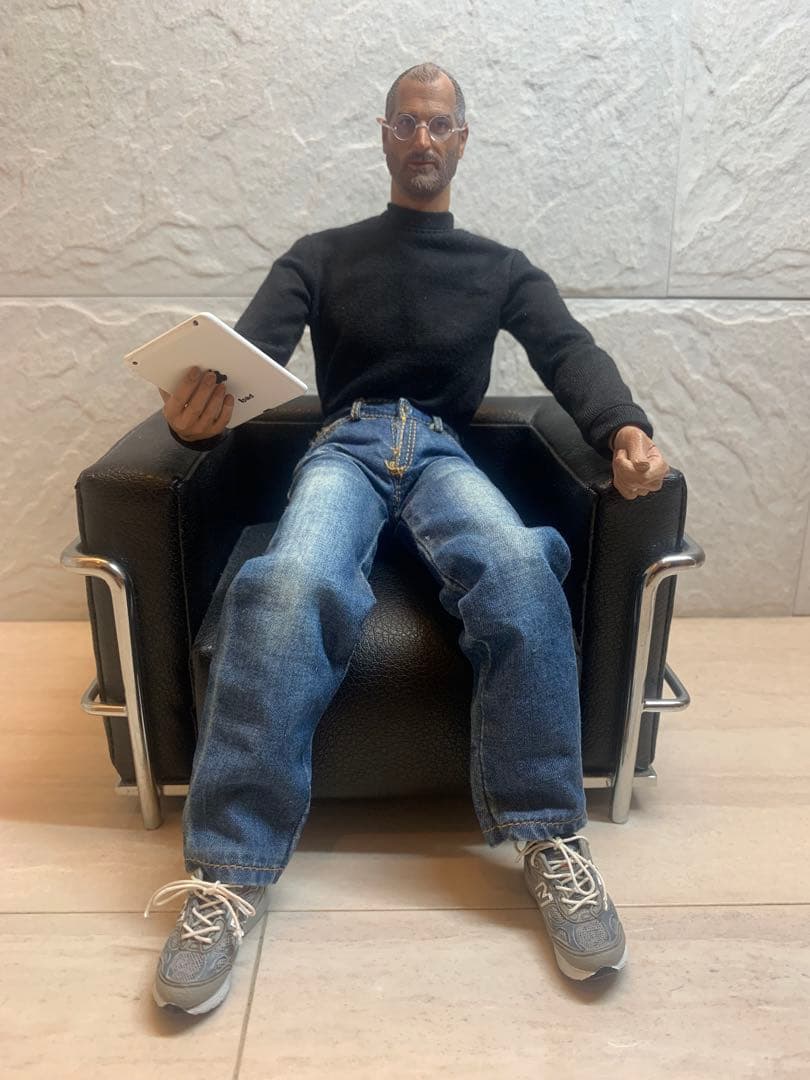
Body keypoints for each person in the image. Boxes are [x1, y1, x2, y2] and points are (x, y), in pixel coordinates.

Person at [143, 62, 668, 1014]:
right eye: (406, 123)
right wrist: (192, 421)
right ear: (385, 136)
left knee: (519, 563)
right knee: (289, 582)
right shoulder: (320, 255)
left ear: (462, 139)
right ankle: (226, 873)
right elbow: (244, 362)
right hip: (343, 446)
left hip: (440, 450)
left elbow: (569, 351)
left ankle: (550, 837)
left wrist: (623, 428)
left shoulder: (500, 268)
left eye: (439, 124)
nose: (423, 138)